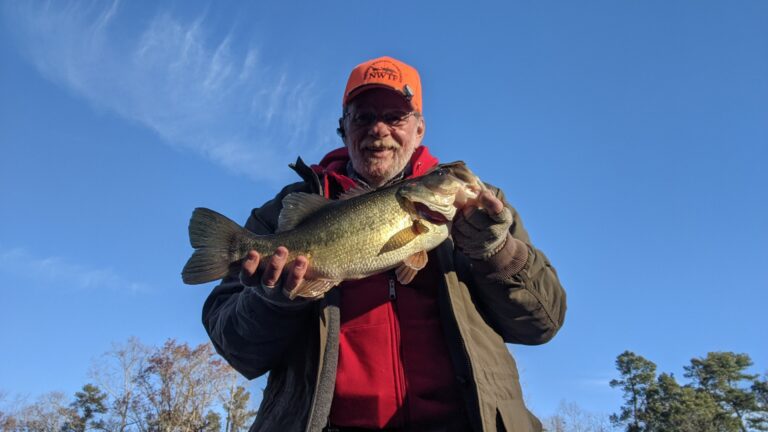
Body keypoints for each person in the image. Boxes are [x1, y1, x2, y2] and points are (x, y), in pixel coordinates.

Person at [202, 56, 566, 432]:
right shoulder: (280, 213)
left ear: (420, 128)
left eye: (395, 117)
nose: (379, 129)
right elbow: (235, 346)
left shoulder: (483, 209)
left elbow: (543, 324)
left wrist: (497, 253)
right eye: (363, 117)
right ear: (343, 128)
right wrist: (272, 299)